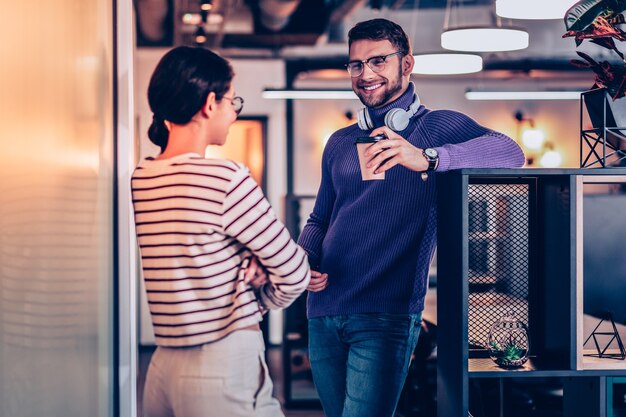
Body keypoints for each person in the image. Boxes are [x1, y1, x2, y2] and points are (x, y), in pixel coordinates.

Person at [298, 18, 525, 417]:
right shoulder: (339, 142)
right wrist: (303, 260)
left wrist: (429, 158)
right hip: (323, 307)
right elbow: (320, 218)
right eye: (356, 64)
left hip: (387, 313)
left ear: (407, 64)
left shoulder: (437, 128)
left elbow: (511, 152)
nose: (365, 74)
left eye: (378, 60)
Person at [132, 46, 310, 417]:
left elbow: (196, 251)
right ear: (209, 104)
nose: (234, 111)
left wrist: (242, 264)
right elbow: (295, 271)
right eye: (232, 100)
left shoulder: (142, 177)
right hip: (222, 358)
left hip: (163, 365)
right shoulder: (225, 177)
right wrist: (255, 296)